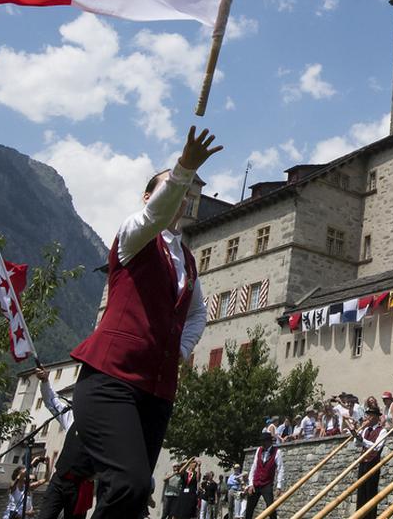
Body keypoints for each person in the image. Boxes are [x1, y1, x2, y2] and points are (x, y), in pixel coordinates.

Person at [62, 127, 221, 519]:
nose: (181, 198)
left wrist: (179, 351)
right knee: (131, 483)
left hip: (157, 390)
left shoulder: (187, 258)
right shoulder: (134, 234)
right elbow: (155, 215)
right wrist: (183, 168)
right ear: (148, 196)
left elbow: (198, 313)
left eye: (184, 194)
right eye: (170, 190)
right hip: (110, 380)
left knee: (132, 496)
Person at [34, 368, 92, 519]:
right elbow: (52, 401)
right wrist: (45, 381)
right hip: (59, 480)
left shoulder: (104, 430)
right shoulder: (72, 418)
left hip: (80, 486)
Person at [354, 406, 389, 518]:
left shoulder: (382, 430)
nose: (367, 417)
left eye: (370, 415)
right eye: (367, 414)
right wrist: (357, 433)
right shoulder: (365, 429)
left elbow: (377, 447)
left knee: (370, 492)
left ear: (375, 417)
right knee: (361, 492)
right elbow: (357, 444)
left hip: (373, 462)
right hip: (363, 461)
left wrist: (363, 440)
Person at [245, 433, 284, 519]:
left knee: (271, 508)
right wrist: (250, 484)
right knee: (249, 509)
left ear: (269, 441)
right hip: (255, 483)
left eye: (264, 441)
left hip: (267, 484)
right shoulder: (259, 450)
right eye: (261, 441)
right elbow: (253, 467)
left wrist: (279, 486)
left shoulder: (277, 452)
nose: (262, 443)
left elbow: (280, 469)